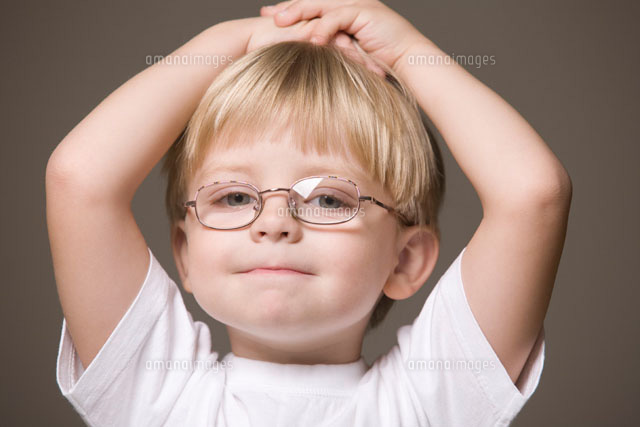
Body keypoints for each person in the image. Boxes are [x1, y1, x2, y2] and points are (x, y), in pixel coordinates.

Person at [46, 1, 572, 425]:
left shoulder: (427, 401)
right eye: (233, 197)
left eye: (327, 199)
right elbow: (80, 181)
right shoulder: (155, 392)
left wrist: (410, 52)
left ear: (405, 260)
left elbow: (533, 195)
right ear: (185, 254)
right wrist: (235, 41)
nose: (273, 223)